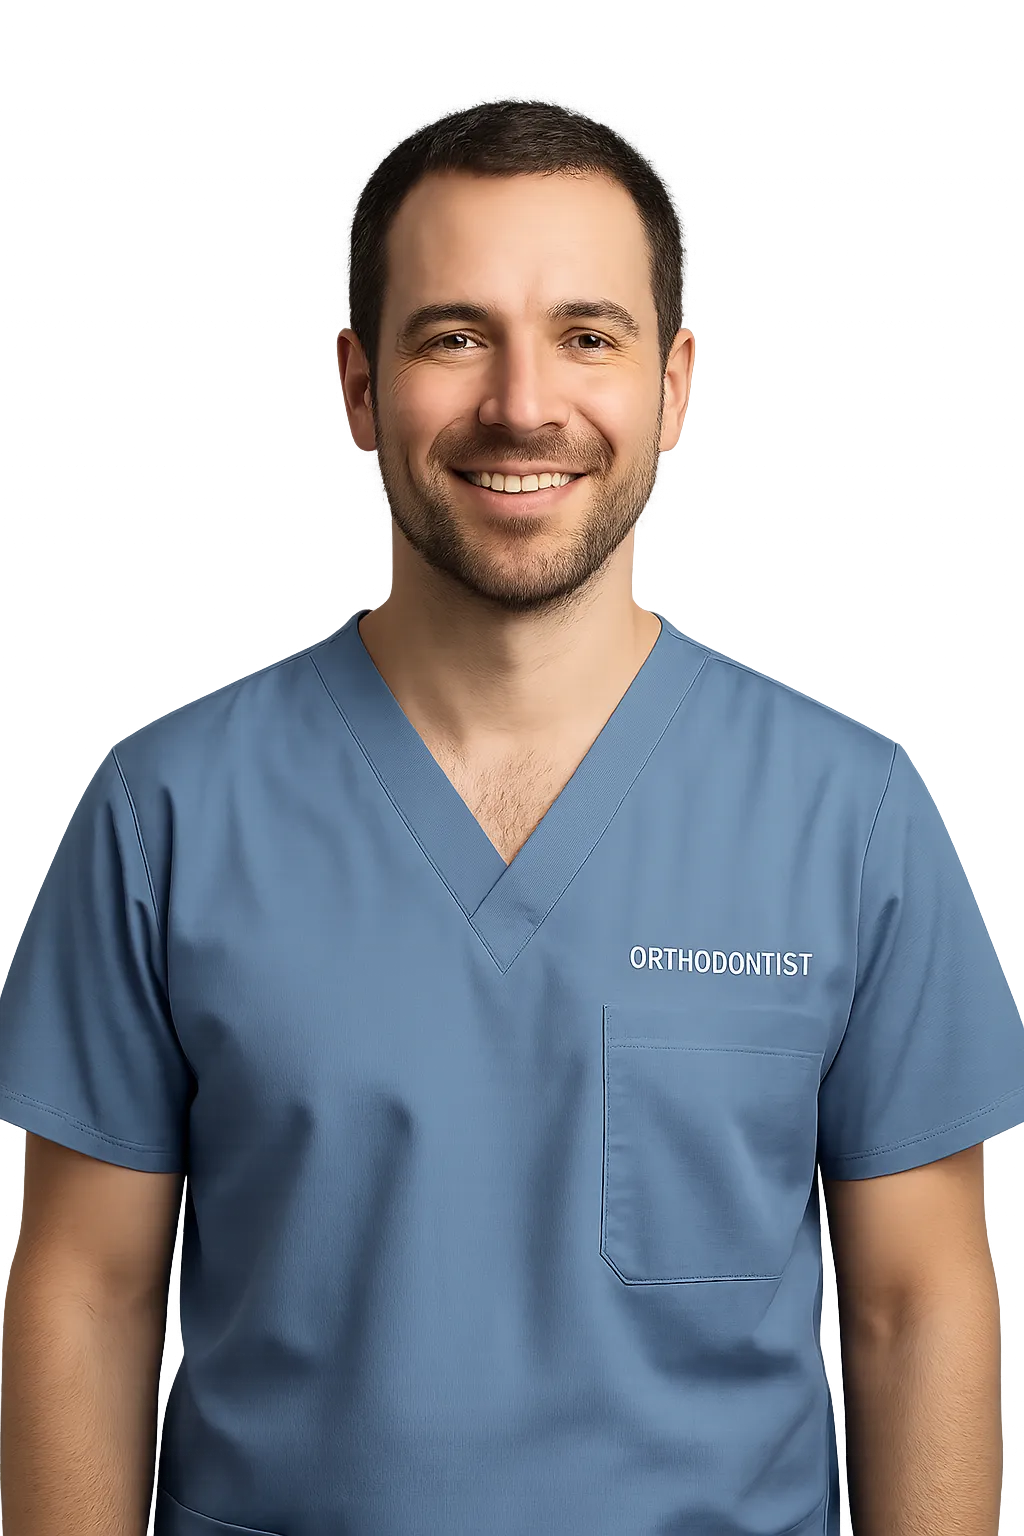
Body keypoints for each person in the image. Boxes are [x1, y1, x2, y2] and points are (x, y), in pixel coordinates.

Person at [0, 98, 1021, 1536]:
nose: (523, 404)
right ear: (359, 386)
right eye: (454, 335)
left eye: (587, 336)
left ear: (673, 385)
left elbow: (917, 1309)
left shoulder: (849, 822)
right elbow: (87, 1293)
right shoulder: (166, 820)